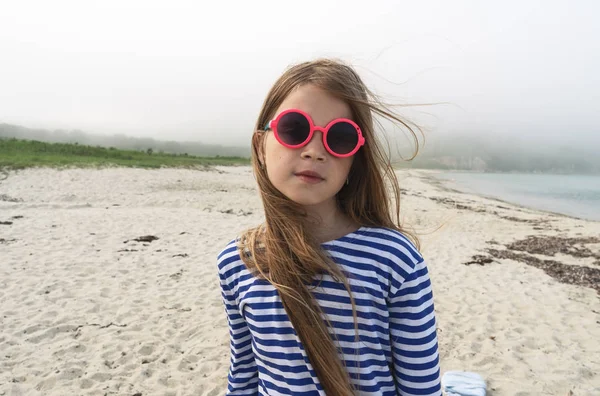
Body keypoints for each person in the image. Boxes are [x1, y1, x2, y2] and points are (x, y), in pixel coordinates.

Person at [217, 58, 441, 396]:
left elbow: (421, 388)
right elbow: (244, 376)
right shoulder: (237, 262)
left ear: (355, 158)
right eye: (294, 129)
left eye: (339, 138)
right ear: (260, 145)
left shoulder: (395, 261)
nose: (314, 151)